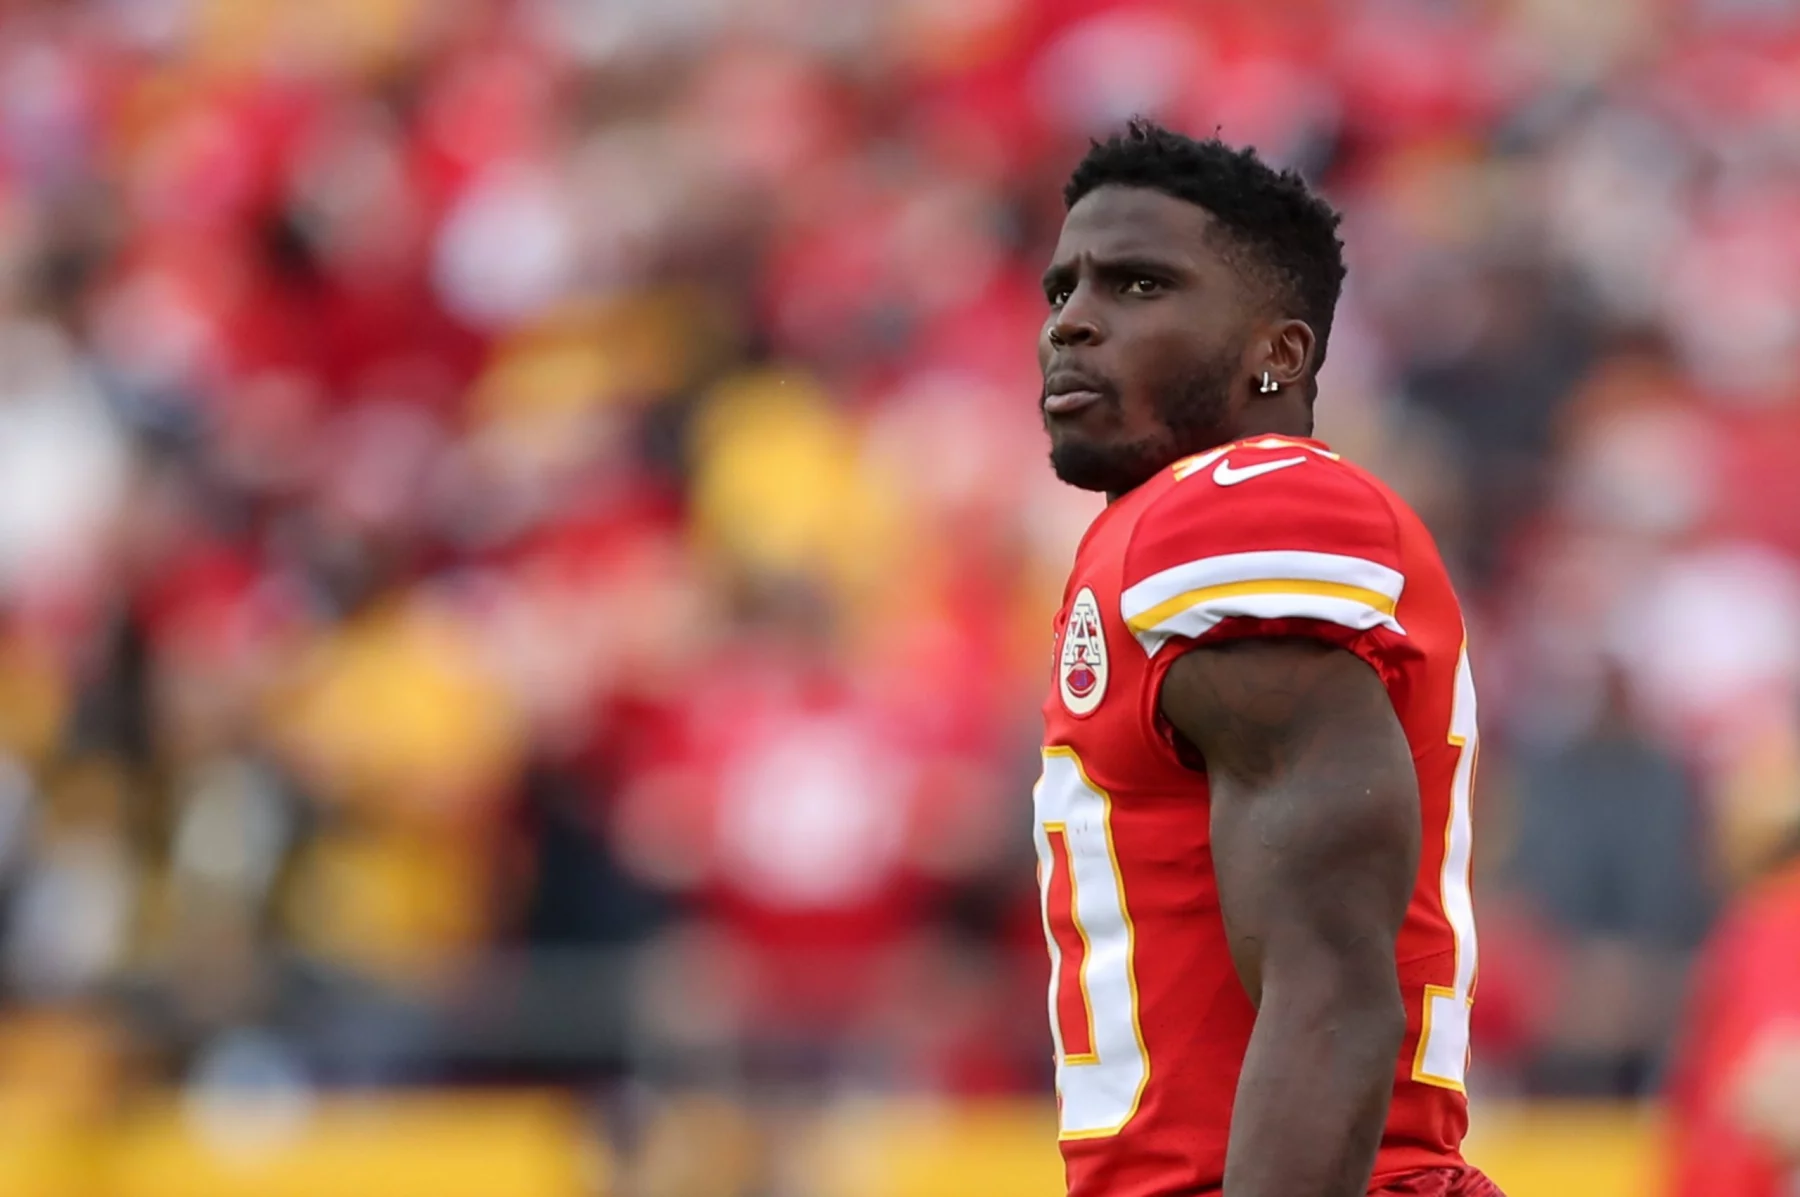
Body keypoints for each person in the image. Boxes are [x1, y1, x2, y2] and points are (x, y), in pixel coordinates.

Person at [1032, 120, 1501, 1197]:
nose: (1073, 322)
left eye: (1139, 285)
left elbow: (1329, 977)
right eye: (1062, 289)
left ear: (1278, 355)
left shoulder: (1246, 506)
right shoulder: (1154, 530)